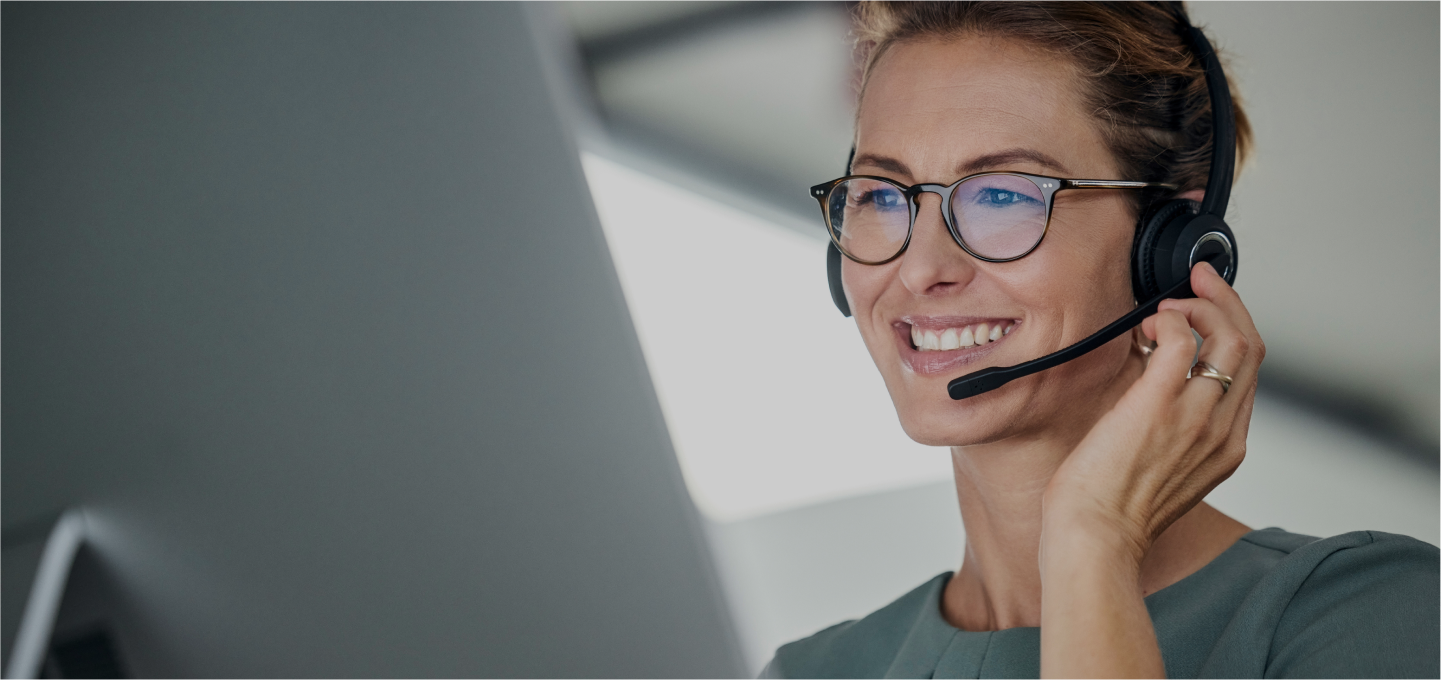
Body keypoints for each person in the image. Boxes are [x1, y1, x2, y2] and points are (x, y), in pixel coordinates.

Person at [761, 1, 1441, 679]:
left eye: (1002, 196)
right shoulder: (816, 670)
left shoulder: (1364, 614)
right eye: (881, 196)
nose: (920, 269)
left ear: (1168, 251)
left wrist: (1092, 540)